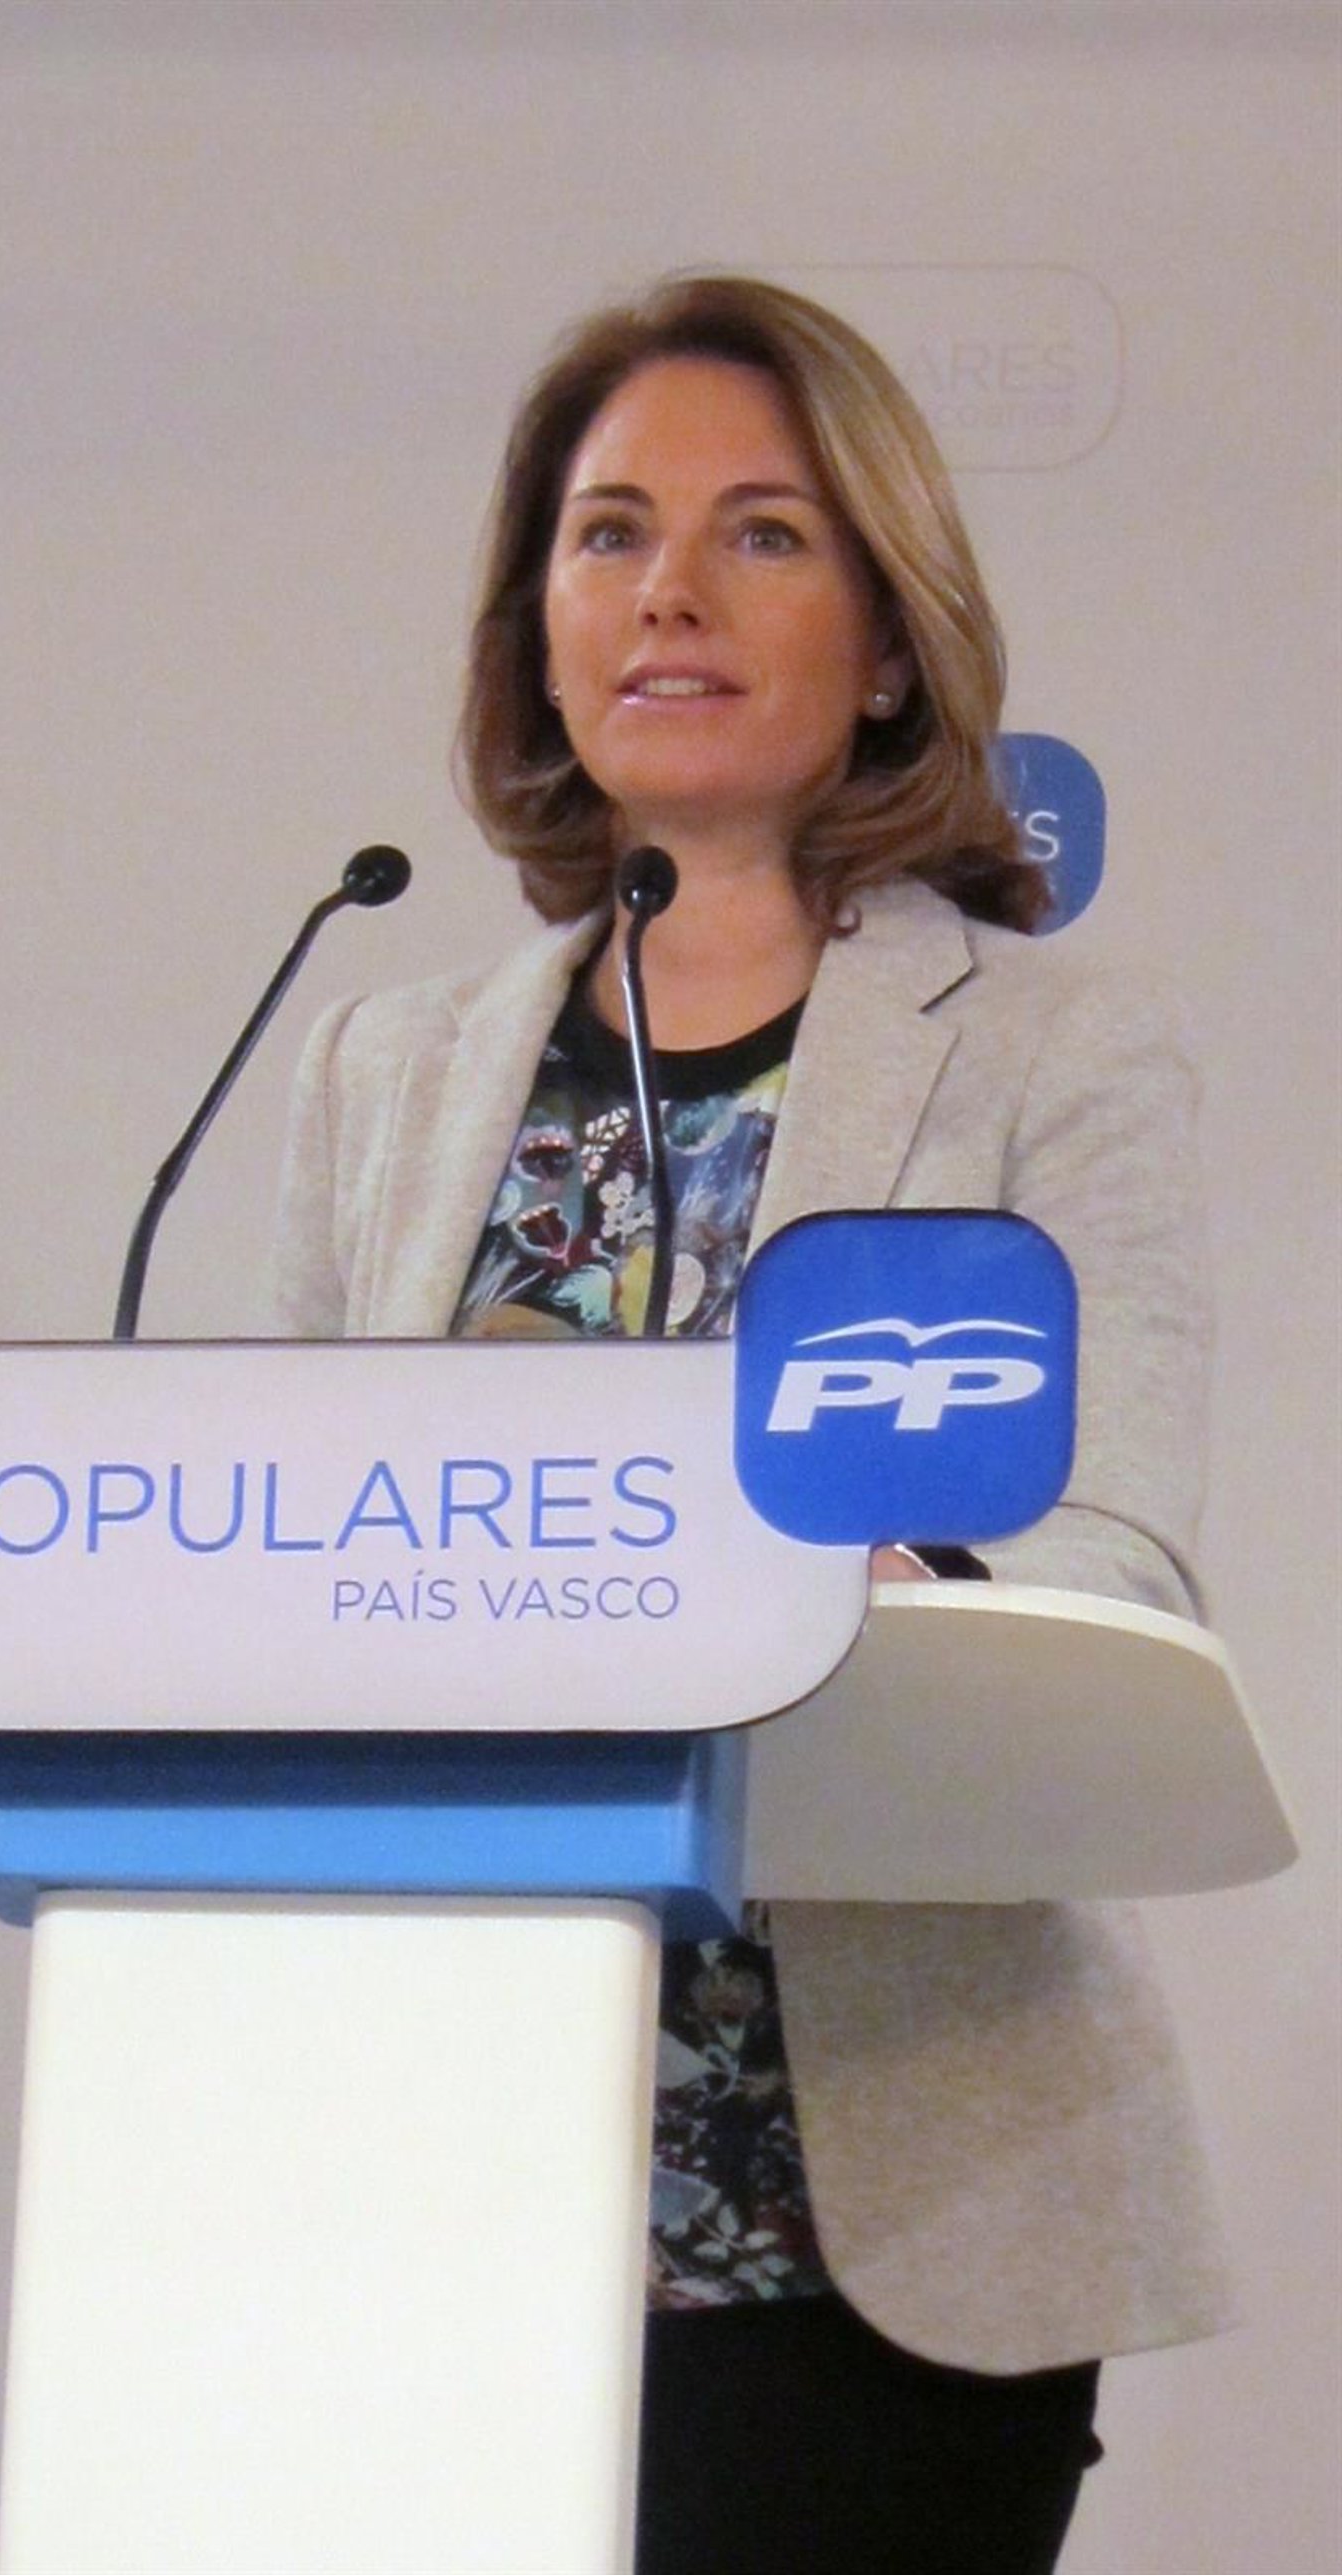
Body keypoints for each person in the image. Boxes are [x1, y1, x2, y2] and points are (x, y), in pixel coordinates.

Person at [273, 274, 1232, 2574]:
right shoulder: (384, 1067)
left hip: (878, 2219)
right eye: (610, 532)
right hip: (445, 2181)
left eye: (763, 534)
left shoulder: (1050, 1051)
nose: (669, 591)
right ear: (538, 622)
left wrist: (851, 1583)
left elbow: (1112, 1562)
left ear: (887, 641)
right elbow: (291, 1562)